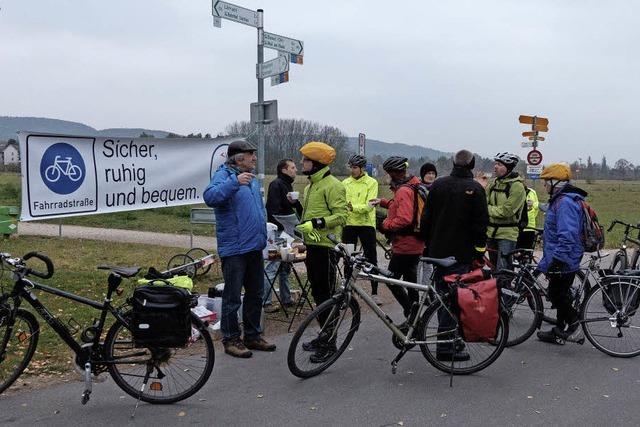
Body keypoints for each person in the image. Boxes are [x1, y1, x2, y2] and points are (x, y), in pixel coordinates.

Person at [203, 139, 276, 358]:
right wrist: (235, 182)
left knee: (256, 293)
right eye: (251, 154)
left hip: (254, 246)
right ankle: (231, 339)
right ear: (238, 158)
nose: (255, 158)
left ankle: (252, 336)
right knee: (233, 297)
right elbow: (210, 197)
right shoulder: (224, 176)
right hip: (234, 248)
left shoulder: (251, 180)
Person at [421, 149, 489, 361]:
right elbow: (480, 226)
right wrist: (479, 252)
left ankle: (448, 337)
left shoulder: (438, 185)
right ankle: (445, 346)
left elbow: (426, 219)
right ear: (472, 165)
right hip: (461, 255)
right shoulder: (475, 189)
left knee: (442, 296)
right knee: (454, 299)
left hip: (437, 251)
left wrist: (428, 244)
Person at [294, 141, 347, 363]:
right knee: (318, 295)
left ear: (316, 163)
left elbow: (342, 216)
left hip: (327, 249)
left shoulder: (333, 185)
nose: (301, 163)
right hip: (314, 247)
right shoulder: (310, 186)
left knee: (326, 296)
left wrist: (315, 223)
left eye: (305, 160)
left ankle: (330, 343)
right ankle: (324, 335)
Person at [536, 163, 586, 344]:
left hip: (565, 257)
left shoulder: (564, 202)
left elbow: (568, 236)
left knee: (556, 294)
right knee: (561, 293)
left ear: (555, 181)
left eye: (546, 182)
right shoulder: (560, 200)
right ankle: (559, 330)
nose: (544, 186)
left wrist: (557, 259)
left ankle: (575, 326)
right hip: (563, 256)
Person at [371, 156, 424, 321]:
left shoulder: (403, 190)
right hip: (415, 243)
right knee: (410, 282)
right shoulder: (412, 184)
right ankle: (415, 319)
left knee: (391, 279)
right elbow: (403, 205)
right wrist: (384, 202)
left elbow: (405, 218)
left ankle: (410, 311)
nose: (387, 177)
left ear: (393, 173)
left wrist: (386, 224)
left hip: (405, 245)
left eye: (387, 173)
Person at [263, 158, 303, 313]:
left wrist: (295, 204)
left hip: (287, 231)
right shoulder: (276, 185)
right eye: (292, 167)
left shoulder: (288, 185)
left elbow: (291, 207)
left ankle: (286, 299)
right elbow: (272, 210)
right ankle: (265, 302)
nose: (296, 170)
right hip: (279, 232)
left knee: (285, 266)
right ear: (284, 170)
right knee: (273, 265)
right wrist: (284, 224)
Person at [342, 154, 381, 305]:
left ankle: (375, 292)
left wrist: (353, 207)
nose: (352, 170)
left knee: (371, 258)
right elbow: (343, 203)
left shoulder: (372, 182)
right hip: (350, 224)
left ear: (362, 168)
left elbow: (369, 205)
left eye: (355, 167)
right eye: (351, 167)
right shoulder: (345, 183)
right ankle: (347, 292)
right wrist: (350, 208)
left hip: (366, 224)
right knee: (348, 258)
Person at [486, 152, 526, 272]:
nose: (495, 167)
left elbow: (506, 211)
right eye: (495, 164)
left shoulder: (517, 186)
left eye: (499, 164)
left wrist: (487, 209)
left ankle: (505, 290)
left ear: (508, 167)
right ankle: (496, 290)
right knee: (493, 269)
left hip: (507, 234)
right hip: (490, 232)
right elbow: (483, 201)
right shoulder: (493, 183)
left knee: (504, 270)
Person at [516, 184, 540, 250]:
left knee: (528, 251)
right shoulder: (514, 192)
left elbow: (536, 207)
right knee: (516, 251)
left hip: (530, 227)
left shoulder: (532, 192)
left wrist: (530, 215)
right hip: (517, 227)